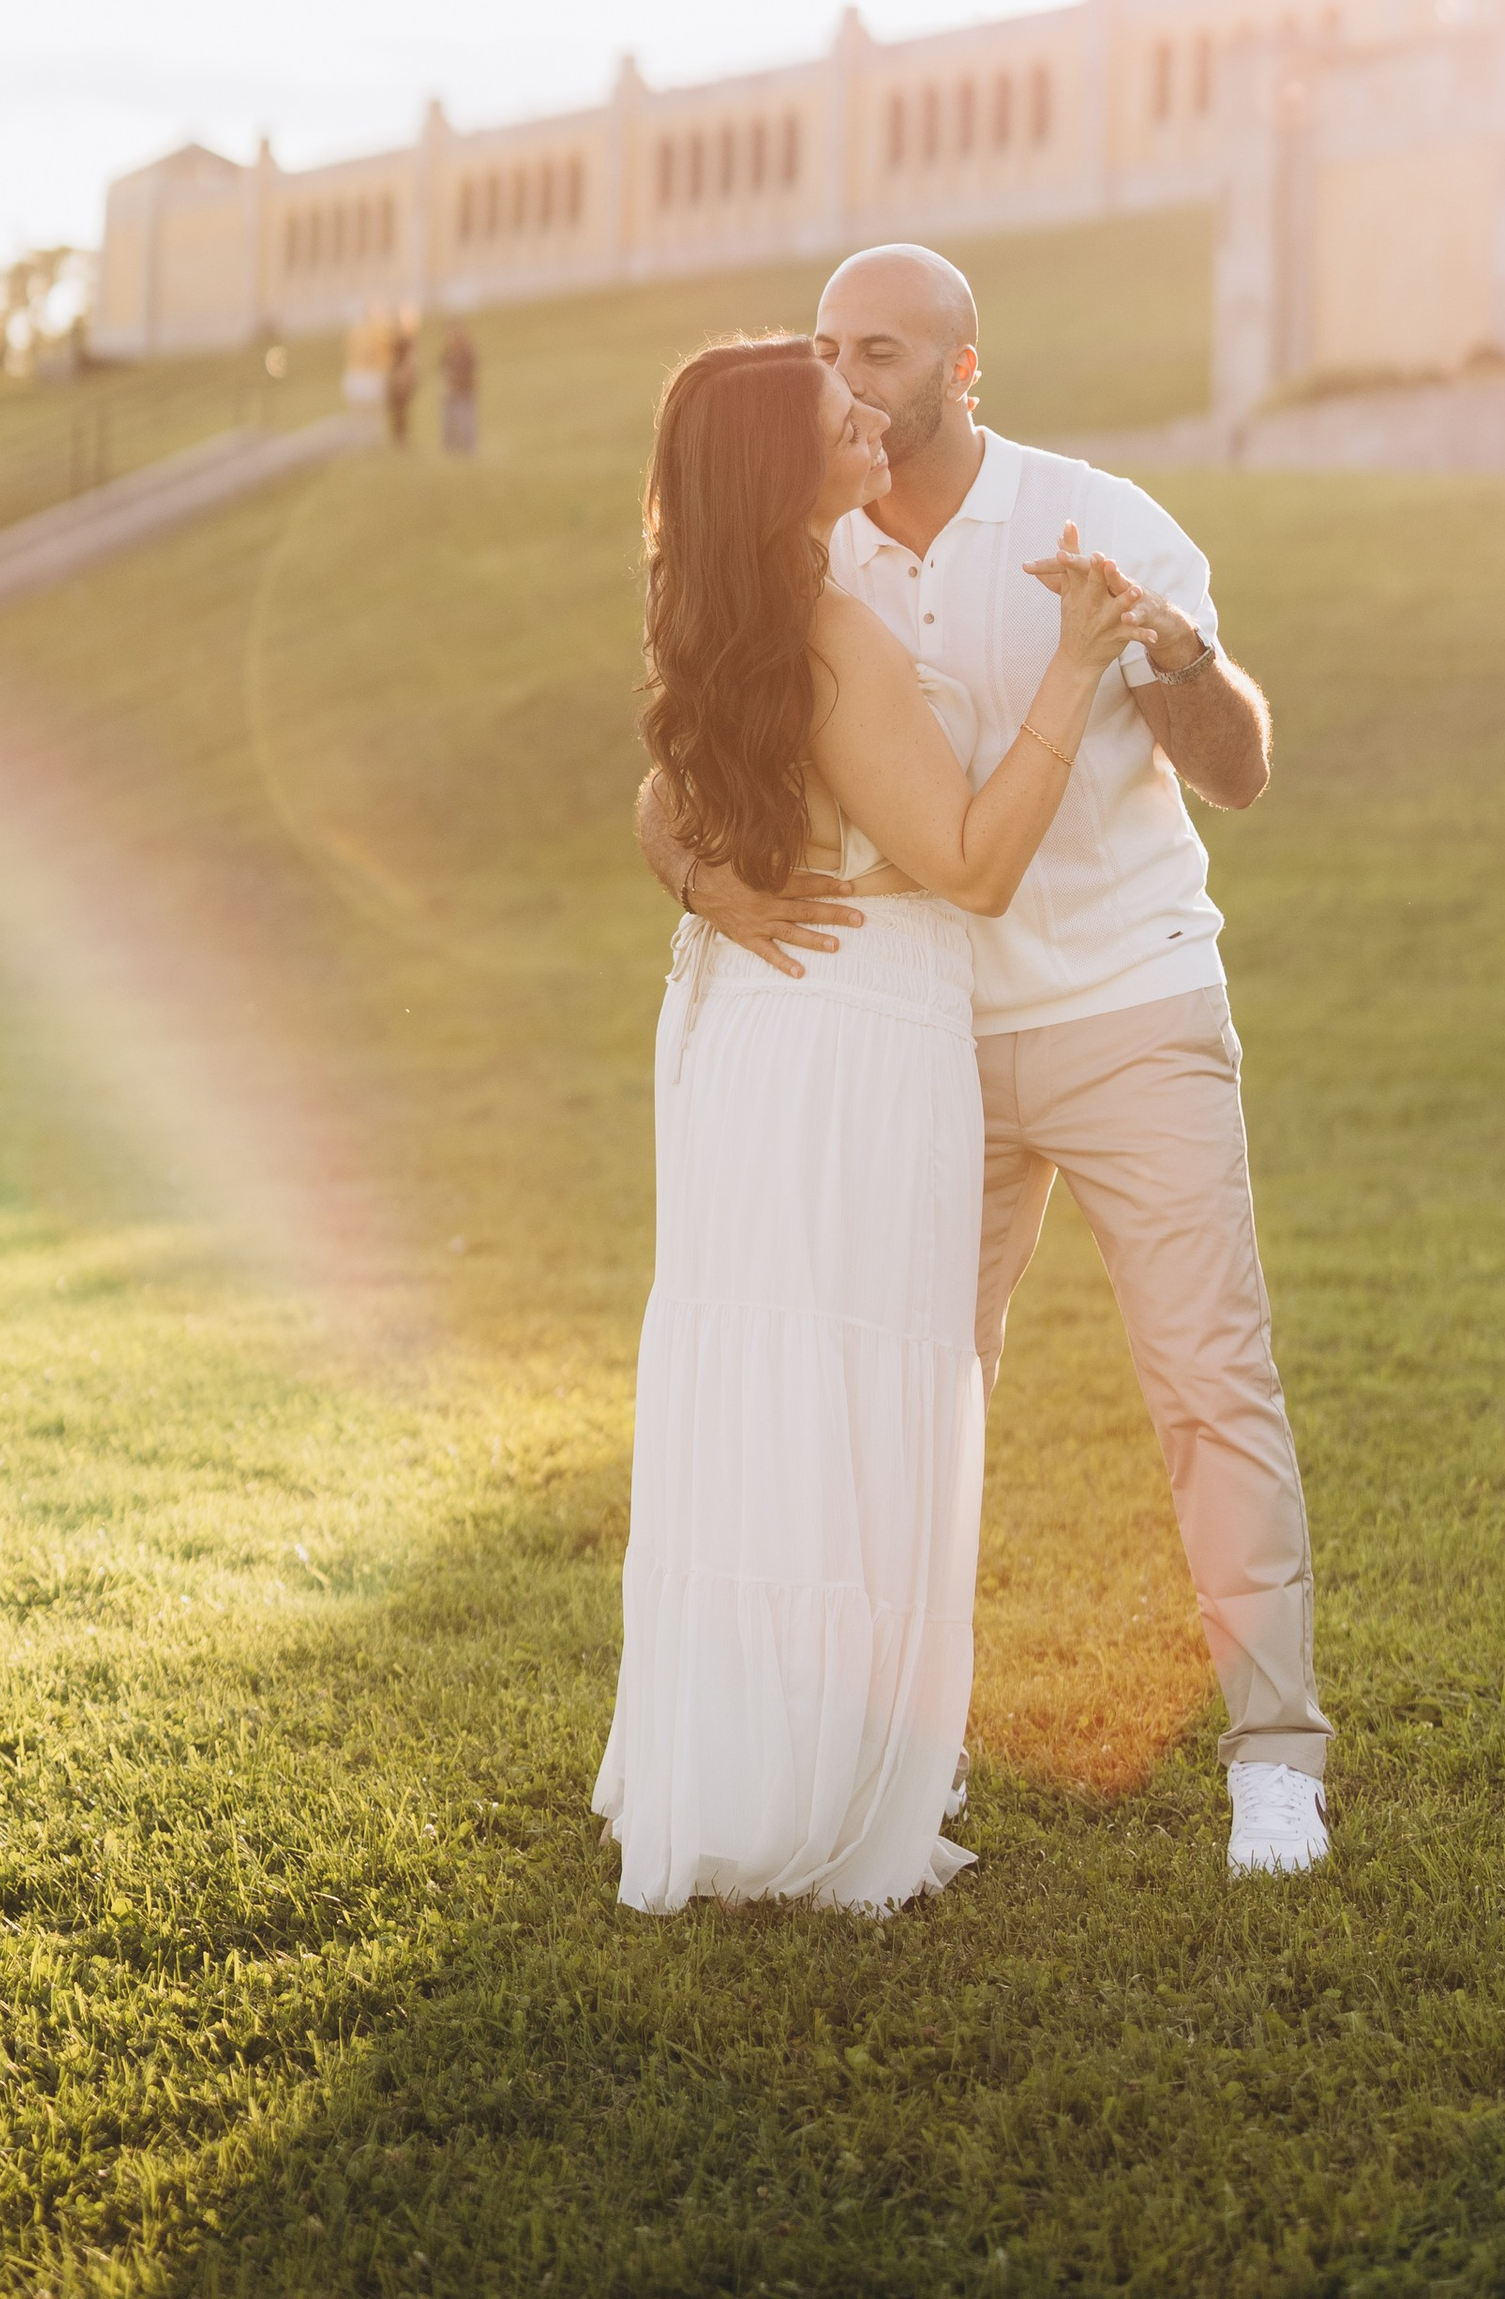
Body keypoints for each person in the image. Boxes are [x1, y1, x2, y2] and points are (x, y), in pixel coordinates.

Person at [638, 246, 1332, 1880]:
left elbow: (1238, 773)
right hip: (915, 1047)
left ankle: (1277, 1764)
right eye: (824, 348)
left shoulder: (1102, 518)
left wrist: (1167, 657)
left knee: (1208, 1381)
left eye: (877, 349)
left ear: (964, 370)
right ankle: (894, 1763)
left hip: (1126, 1007)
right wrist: (701, 875)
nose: (846, 375)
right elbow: (681, 759)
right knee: (910, 1412)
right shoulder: (804, 540)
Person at [595, 333, 1147, 1913]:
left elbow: (660, 797)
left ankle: (738, 1756)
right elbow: (969, 864)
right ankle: (808, 1793)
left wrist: (697, 875)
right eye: (831, 406)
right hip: (848, 1030)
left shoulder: (727, 615)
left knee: (768, 1379)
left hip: (744, 1032)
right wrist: (1077, 659)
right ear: (788, 464)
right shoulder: (832, 627)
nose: (862, 408)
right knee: (841, 1379)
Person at [438, 324, 479, 456]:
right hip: (450, 391)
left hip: (464, 391)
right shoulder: (448, 351)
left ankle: (468, 447)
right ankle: (449, 447)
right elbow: (441, 366)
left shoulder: (467, 352)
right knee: (448, 421)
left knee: (465, 421)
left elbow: (470, 370)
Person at [386, 313, 419, 448]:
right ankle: (398, 439)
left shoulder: (405, 341)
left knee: (402, 412)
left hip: (402, 379)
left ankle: (402, 439)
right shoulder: (395, 341)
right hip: (396, 379)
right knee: (397, 411)